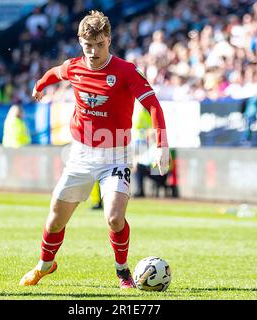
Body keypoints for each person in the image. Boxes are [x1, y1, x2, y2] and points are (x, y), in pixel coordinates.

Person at [19, 10, 170, 289]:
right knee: (54, 221)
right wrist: (39, 86)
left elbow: (153, 105)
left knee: (114, 217)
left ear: (109, 40)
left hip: (116, 155)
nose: (93, 51)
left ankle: (123, 272)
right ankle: (44, 266)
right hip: (81, 154)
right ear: (80, 42)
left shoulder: (126, 71)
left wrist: (161, 145)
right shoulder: (75, 66)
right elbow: (55, 73)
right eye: (88, 46)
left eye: (99, 45)